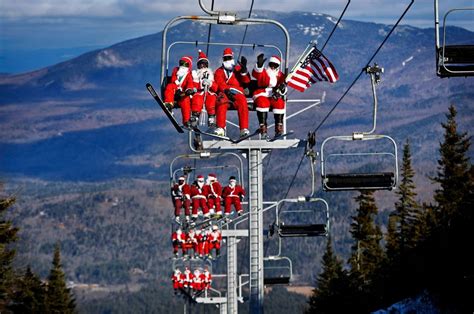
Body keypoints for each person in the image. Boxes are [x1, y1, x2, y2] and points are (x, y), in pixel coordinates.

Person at [214, 47, 250, 137]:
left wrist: (244, 70)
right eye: (225, 58)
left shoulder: (238, 69)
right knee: (221, 101)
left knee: (242, 102)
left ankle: (243, 128)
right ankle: (221, 127)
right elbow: (219, 83)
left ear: (232, 58)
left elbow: (246, 81)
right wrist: (226, 90)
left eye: (229, 58)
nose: (227, 60)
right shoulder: (219, 71)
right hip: (225, 92)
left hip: (237, 92)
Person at [252, 54, 287, 137]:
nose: (273, 67)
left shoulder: (280, 75)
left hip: (274, 95)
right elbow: (256, 73)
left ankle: (278, 127)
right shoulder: (264, 72)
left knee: (279, 103)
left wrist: (281, 90)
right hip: (262, 94)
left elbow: (284, 87)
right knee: (262, 103)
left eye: (275, 65)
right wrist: (259, 65)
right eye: (271, 65)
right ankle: (263, 128)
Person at [163, 55, 197, 128]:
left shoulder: (189, 75)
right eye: (182, 63)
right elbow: (173, 78)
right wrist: (178, 88)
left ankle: (186, 121)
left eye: (186, 64)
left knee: (186, 101)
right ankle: (169, 103)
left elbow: (190, 83)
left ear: (189, 66)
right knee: (169, 86)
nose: (183, 66)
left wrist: (188, 90)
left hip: (182, 94)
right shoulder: (176, 70)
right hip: (175, 91)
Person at [191, 50, 218, 130]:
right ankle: (195, 116)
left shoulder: (212, 75)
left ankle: (211, 117)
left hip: (209, 92)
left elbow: (216, 88)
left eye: (204, 65)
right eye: (200, 65)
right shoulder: (196, 74)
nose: (202, 67)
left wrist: (210, 84)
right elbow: (194, 86)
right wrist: (196, 81)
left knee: (211, 99)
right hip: (200, 92)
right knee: (197, 99)